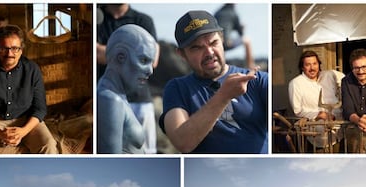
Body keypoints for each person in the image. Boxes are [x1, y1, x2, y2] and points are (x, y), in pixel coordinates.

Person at [159, 10, 268, 154]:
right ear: (182, 54)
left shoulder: (258, 80)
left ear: (222, 39)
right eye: (196, 47)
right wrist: (223, 96)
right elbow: (182, 142)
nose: (209, 52)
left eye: (213, 42)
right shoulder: (177, 89)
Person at [97, 4, 160, 154]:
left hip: (140, 99)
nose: (150, 70)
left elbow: (155, 57)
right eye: (143, 60)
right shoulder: (111, 100)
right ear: (120, 57)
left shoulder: (143, 19)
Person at [0, 25, 58, 154]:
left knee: (49, 145)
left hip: (26, 119)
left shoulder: (32, 69)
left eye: (14, 48)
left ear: (21, 50)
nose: (9, 54)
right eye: (4, 48)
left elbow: (40, 108)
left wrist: (23, 131)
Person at [288, 50, 344, 152]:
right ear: (302, 67)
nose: (312, 68)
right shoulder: (296, 83)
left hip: (337, 134)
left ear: (319, 64)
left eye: (315, 63)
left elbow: (346, 80)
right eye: (308, 65)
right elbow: (297, 111)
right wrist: (318, 114)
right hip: (316, 138)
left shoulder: (329, 76)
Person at [214, 4, 254, 69]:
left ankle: (221, 66)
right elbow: (240, 33)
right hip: (226, 43)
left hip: (216, 43)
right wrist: (242, 28)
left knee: (221, 47)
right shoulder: (233, 13)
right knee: (247, 40)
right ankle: (251, 67)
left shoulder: (217, 13)